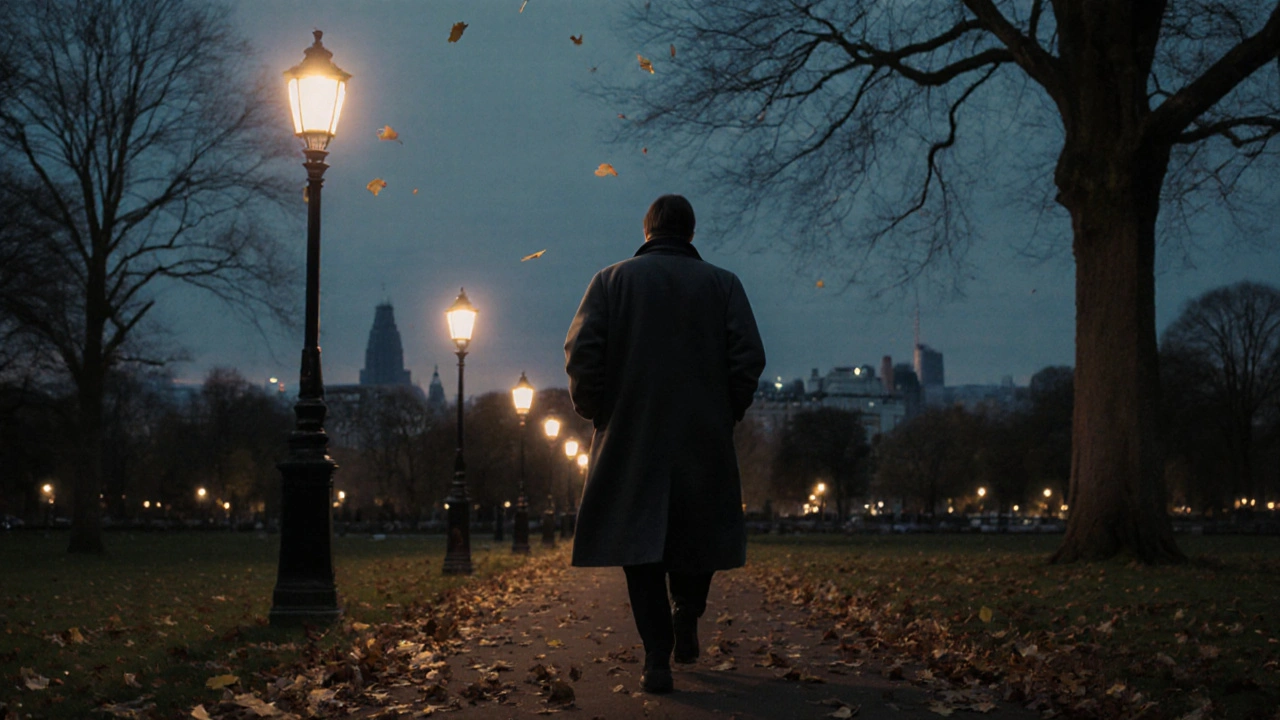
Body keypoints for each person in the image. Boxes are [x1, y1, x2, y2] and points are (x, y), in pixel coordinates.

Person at [563, 194, 766, 693]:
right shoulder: (724, 285)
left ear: (647, 230)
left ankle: (657, 654)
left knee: (640, 547)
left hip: (632, 432)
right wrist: (727, 411)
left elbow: (582, 353)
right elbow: (748, 357)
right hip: (702, 432)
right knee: (700, 535)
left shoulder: (610, 282)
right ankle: (687, 612)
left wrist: (597, 411)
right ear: (691, 233)